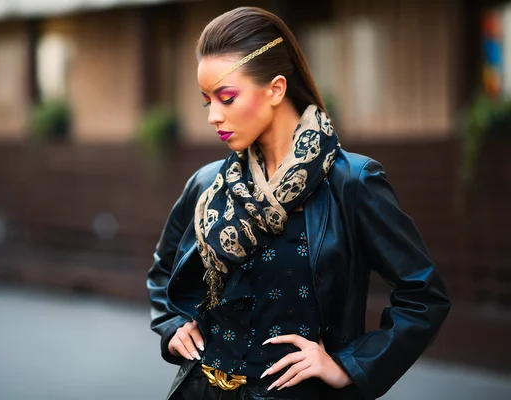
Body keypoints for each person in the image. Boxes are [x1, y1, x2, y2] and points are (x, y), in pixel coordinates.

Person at [147, 6, 450, 400]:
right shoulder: (208, 185)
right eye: (208, 102)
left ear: (275, 89)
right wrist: (173, 326)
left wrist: (348, 365)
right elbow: (162, 272)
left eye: (226, 97)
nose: (213, 116)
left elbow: (424, 295)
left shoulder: (351, 183)